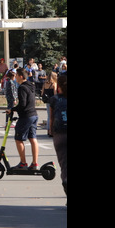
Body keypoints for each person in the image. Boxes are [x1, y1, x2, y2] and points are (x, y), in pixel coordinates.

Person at [10, 68, 40, 170]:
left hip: (26, 116)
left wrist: (12, 109)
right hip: (34, 115)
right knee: (32, 138)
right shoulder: (30, 85)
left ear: (21, 76)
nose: (15, 77)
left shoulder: (22, 88)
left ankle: (23, 163)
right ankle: (35, 163)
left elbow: (22, 104)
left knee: (18, 139)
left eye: (16, 75)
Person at [46, 72, 67, 200]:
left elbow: (51, 118)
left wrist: (51, 131)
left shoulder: (54, 99)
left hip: (59, 134)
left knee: (64, 163)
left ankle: (66, 180)